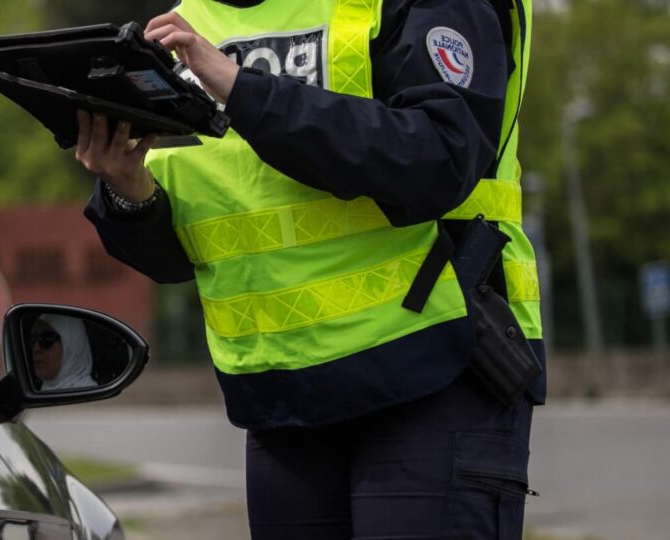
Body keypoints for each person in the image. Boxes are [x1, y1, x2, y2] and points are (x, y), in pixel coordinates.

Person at [73, 0, 544, 537]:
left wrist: (244, 90)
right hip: (283, 395)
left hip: (437, 362)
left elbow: (437, 157)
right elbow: (195, 248)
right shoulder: (187, 26)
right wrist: (128, 190)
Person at [30, 315, 99, 391]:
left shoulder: (92, 397)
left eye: (46, 339)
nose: (36, 349)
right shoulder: (38, 392)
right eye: (33, 339)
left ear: (73, 345)